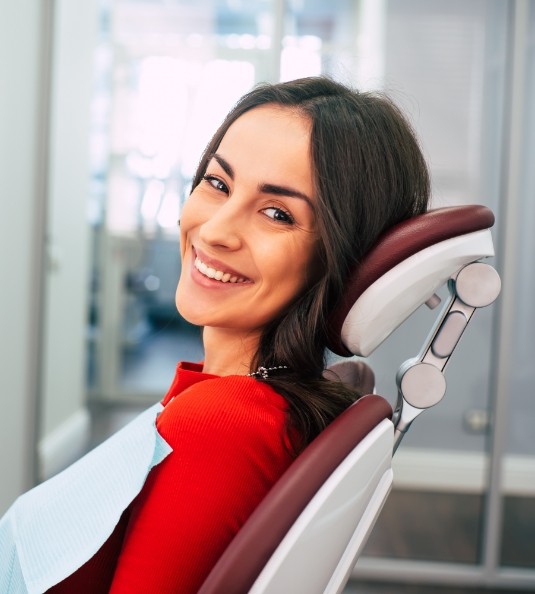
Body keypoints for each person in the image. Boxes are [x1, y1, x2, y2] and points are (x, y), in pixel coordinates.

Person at [0, 76, 430, 593]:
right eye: (217, 183)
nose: (215, 230)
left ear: (343, 256)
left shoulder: (222, 425)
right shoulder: (244, 403)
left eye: (278, 213)